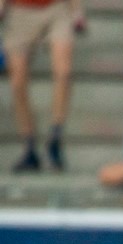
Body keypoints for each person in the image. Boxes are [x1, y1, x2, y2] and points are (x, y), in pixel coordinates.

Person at [4, 0, 85, 171]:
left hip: (57, 7)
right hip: (20, 10)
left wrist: (77, 10)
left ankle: (55, 137)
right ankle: (30, 145)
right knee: (17, 82)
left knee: (64, 71)